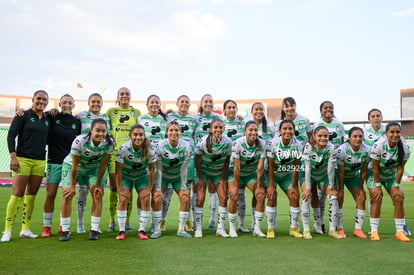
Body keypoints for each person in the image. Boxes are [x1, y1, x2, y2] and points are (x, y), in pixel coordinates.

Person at [1, 90, 50, 242]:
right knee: (17, 194)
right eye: (39, 99)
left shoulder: (48, 118)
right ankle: (7, 230)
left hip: (40, 161)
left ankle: (25, 229)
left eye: (44, 100)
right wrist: (13, 157)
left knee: (31, 195)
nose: (41, 101)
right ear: (33, 99)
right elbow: (11, 135)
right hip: (22, 159)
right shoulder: (23, 115)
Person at [59, 118, 114, 241]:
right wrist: (72, 185)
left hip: (94, 169)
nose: (101, 134)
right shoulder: (80, 141)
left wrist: (99, 184)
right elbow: (74, 165)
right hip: (73, 166)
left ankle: (94, 230)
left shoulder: (109, 143)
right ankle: (65, 230)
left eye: (103, 131)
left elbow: (103, 165)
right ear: (91, 130)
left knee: (97, 194)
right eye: (97, 130)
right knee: (67, 194)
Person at [40, 94, 81, 237]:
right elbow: (38, 114)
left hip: (69, 164)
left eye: (70, 103)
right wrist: (21, 112)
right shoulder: (52, 117)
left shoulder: (77, 122)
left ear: (74, 105)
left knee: (66, 196)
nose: (67, 105)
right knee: (50, 194)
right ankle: (46, 227)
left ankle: (63, 225)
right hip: (54, 162)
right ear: (59, 104)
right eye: (64, 103)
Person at [367, 122, 411, 242]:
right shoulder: (378, 145)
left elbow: (401, 168)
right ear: (386, 133)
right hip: (374, 175)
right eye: (392, 132)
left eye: (397, 132)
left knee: (398, 198)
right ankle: (374, 231)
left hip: (390, 175)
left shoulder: (405, 147)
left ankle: (400, 232)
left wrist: (396, 185)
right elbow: (375, 167)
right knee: (377, 197)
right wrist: (377, 186)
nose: (395, 134)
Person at [106, 87, 141, 233]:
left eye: (127, 94)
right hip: (115, 155)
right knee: (114, 188)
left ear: (130, 96)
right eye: (122, 94)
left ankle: (126, 221)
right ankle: (112, 220)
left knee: (128, 189)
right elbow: (106, 131)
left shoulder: (136, 112)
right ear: (118, 96)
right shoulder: (111, 112)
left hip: (130, 156)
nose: (124, 96)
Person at [114, 124, 158, 240]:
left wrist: (148, 189)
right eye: (135, 135)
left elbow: (152, 170)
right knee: (123, 198)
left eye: (141, 135)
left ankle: (142, 230)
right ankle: (121, 231)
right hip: (126, 177)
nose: (138, 137)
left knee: (145, 198)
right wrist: (120, 189)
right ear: (130, 136)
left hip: (141, 177)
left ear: (144, 136)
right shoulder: (123, 149)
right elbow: (118, 171)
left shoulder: (149, 150)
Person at [75, 93, 110, 234]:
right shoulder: (80, 115)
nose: (96, 104)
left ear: (102, 104)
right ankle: (80, 224)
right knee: (82, 192)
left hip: (98, 162)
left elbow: (109, 136)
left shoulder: (106, 117)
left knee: (97, 193)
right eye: (93, 102)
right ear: (88, 103)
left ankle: (95, 225)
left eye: (98, 102)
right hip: (83, 160)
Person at [301, 126, 342, 239]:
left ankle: (332, 230)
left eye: (325, 136)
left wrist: (331, 186)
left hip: (323, 174)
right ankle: (306, 230)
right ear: (314, 137)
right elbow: (307, 168)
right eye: (320, 136)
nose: (323, 138)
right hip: (307, 174)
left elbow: (330, 169)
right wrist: (308, 188)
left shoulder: (331, 148)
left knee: (333, 197)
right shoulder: (308, 147)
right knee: (307, 196)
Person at [194, 118, 232, 237]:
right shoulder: (203, 141)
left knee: (223, 198)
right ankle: (198, 229)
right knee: (200, 198)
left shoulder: (228, 142)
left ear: (224, 129)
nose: (218, 129)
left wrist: (222, 177)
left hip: (217, 173)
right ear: (210, 129)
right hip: (204, 172)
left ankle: (220, 228)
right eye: (215, 127)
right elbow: (196, 159)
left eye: (220, 127)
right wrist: (200, 177)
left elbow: (227, 161)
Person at [164, 95, 197, 232]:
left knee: (186, 191)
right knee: (168, 192)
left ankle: (186, 220)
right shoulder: (170, 118)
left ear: (189, 105)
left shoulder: (194, 119)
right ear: (177, 104)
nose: (184, 104)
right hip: (171, 157)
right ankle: (162, 220)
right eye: (182, 102)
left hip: (188, 158)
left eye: (187, 102)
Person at [228, 121, 266, 238]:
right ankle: (232, 228)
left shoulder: (262, 144)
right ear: (245, 131)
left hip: (249, 174)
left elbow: (260, 168)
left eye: (255, 130)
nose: (253, 132)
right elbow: (236, 168)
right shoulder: (238, 143)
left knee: (260, 195)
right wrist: (234, 186)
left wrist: (259, 186)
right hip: (234, 173)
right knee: (234, 196)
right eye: (250, 130)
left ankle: (257, 228)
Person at [155, 121, 193, 238]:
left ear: (180, 132)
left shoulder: (186, 146)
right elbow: (159, 167)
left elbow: (185, 167)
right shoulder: (160, 146)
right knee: (157, 198)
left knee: (185, 197)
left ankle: (181, 230)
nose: (174, 132)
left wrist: (184, 185)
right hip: (164, 176)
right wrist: (158, 187)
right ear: (167, 132)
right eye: (171, 130)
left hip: (178, 177)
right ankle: (156, 229)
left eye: (176, 130)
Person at [267, 120, 303, 239]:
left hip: (287, 174)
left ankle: (293, 228)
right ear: (279, 131)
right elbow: (270, 166)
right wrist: (271, 185)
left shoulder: (298, 145)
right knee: (272, 196)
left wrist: (294, 185)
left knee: (294, 196)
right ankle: (271, 228)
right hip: (273, 173)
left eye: (290, 129)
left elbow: (295, 166)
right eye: (285, 129)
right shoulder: (272, 143)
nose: (288, 131)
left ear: (294, 131)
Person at [313, 100, 345, 233]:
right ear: (321, 111)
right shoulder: (317, 125)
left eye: (330, 108)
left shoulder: (339, 124)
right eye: (325, 108)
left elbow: (342, 143)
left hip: (336, 164)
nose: (328, 110)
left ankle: (338, 224)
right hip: (321, 164)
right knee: (321, 196)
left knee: (336, 193)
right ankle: (319, 224)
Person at [137, 94, 168, 232]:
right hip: (145, 160)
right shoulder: (141, 119)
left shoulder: (165, 120)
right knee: (143, 192)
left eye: (157, 102)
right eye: (152, 102)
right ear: (147, 104)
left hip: (161, 161)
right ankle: (141, 223)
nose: (154, 104)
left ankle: (155, 224)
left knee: (158, 193)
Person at [336, 127, 371, 239]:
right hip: (339, 176)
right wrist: (340, 189)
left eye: (360, 136)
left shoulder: (367, 150)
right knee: (339, 198)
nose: (358, 138)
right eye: (355, 136)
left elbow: (364, 170)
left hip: (353, 176)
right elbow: (340, 172)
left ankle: (358, 229)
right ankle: (340, 229)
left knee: (361, 197)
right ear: (349, 138)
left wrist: (360, 187)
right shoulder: (342, 150)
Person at [194, 94, 221, 231]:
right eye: (206, 101)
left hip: (213, 158)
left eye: (211, 101)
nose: (208, 104)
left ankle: (212, 220)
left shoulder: (218, 118)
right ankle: (195, 221)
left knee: (212, 189)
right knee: (198, 189)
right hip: (199, 158)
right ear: (201, 103)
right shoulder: (195, 118)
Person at [222, 99, 249, 233]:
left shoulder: (242, 124)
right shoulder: (220, 124)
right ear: (224, 110)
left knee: (240, 194)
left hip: (239, 164)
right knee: (222, 195)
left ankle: (242, 224)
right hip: (224, 164)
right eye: (229, 107)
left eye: (234, 107)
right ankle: (218, 224)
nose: (232, 110)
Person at [250, 102, 275, 232]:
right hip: (251, 166)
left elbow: (275, 144)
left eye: (261, 109)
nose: (259, 111)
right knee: (257, 194)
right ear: (252, 111)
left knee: (271, 193)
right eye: (256, 109)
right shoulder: (247, 125)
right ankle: (254, 223)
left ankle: (271, 226)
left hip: (267, 167)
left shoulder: (270, 126)